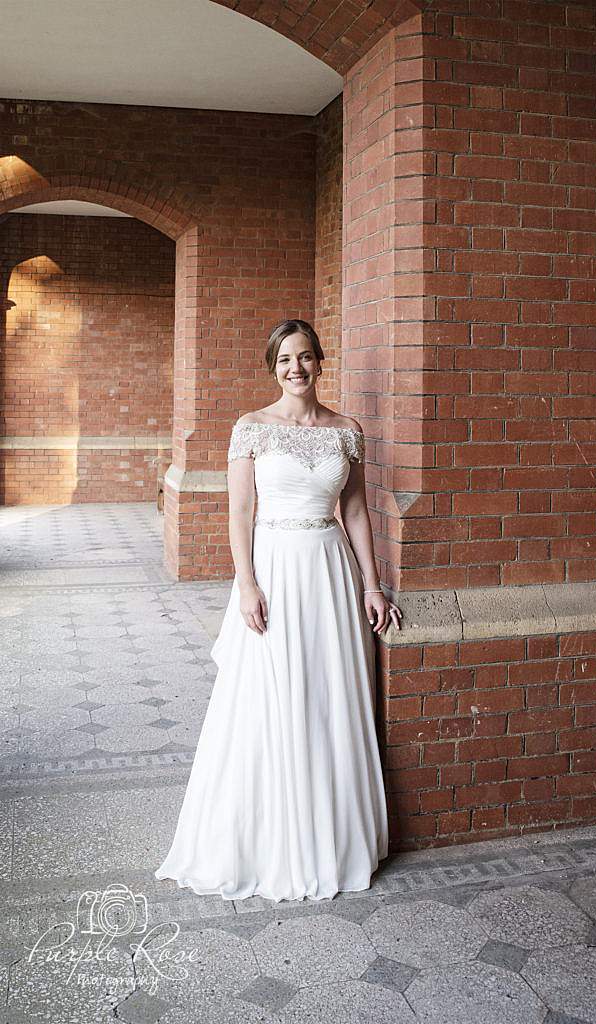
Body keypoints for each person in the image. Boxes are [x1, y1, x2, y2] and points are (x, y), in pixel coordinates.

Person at [154, 318, 402, 903]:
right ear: (274, 367)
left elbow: (358, 512)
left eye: (306, 357)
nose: (297, 368)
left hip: (329, 571)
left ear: (321, 362)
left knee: (328, 693)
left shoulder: (347, 430)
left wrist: (373, 585)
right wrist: (246, 584)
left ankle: (331, 837)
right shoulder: (251, 429)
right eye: (286, 360)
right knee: (270, 694)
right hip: (275, 569)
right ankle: (269, 838)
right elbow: (239, 515)